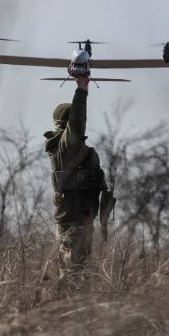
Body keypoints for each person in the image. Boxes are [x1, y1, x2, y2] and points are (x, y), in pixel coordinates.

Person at [43, 72, 114, 278]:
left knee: (78, 272)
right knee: (73, 274)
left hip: (80, 220)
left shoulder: (70, 149)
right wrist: (82, 89)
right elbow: (76, 122)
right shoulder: (66, 148)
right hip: (72, 222)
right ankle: (65, 308)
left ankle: (75, 306)